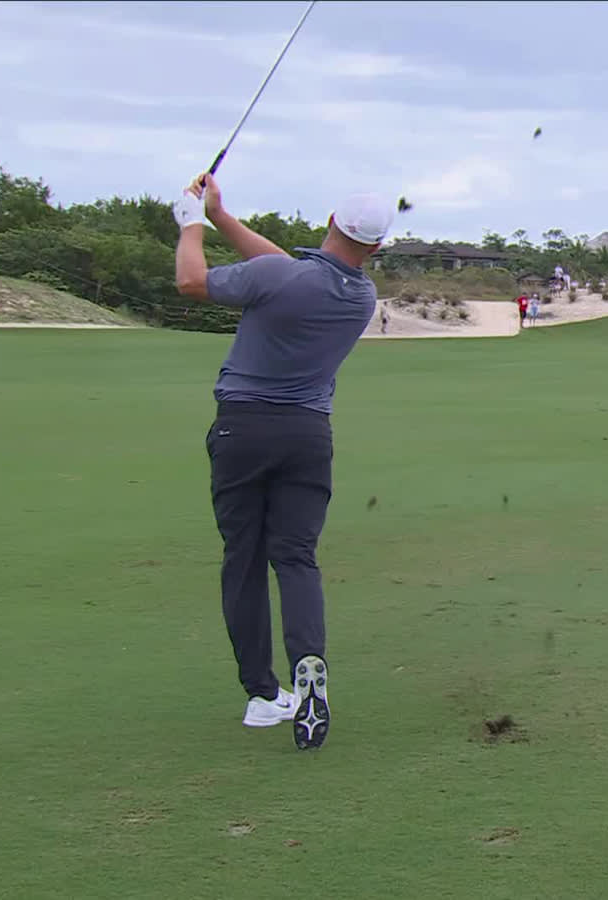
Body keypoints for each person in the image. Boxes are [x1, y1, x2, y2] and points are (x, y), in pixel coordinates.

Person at [172, 173, 394, 751]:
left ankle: (264, 695)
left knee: (243, 558)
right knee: (295, 557)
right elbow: (284, 271)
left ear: (329, 222)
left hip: (242, 428)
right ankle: (309, 666)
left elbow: (191, 281)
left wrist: (190, 221)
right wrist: (222, 217)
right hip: (307, 435)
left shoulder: (282, 278)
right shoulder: (360, 297)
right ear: (373, 248)